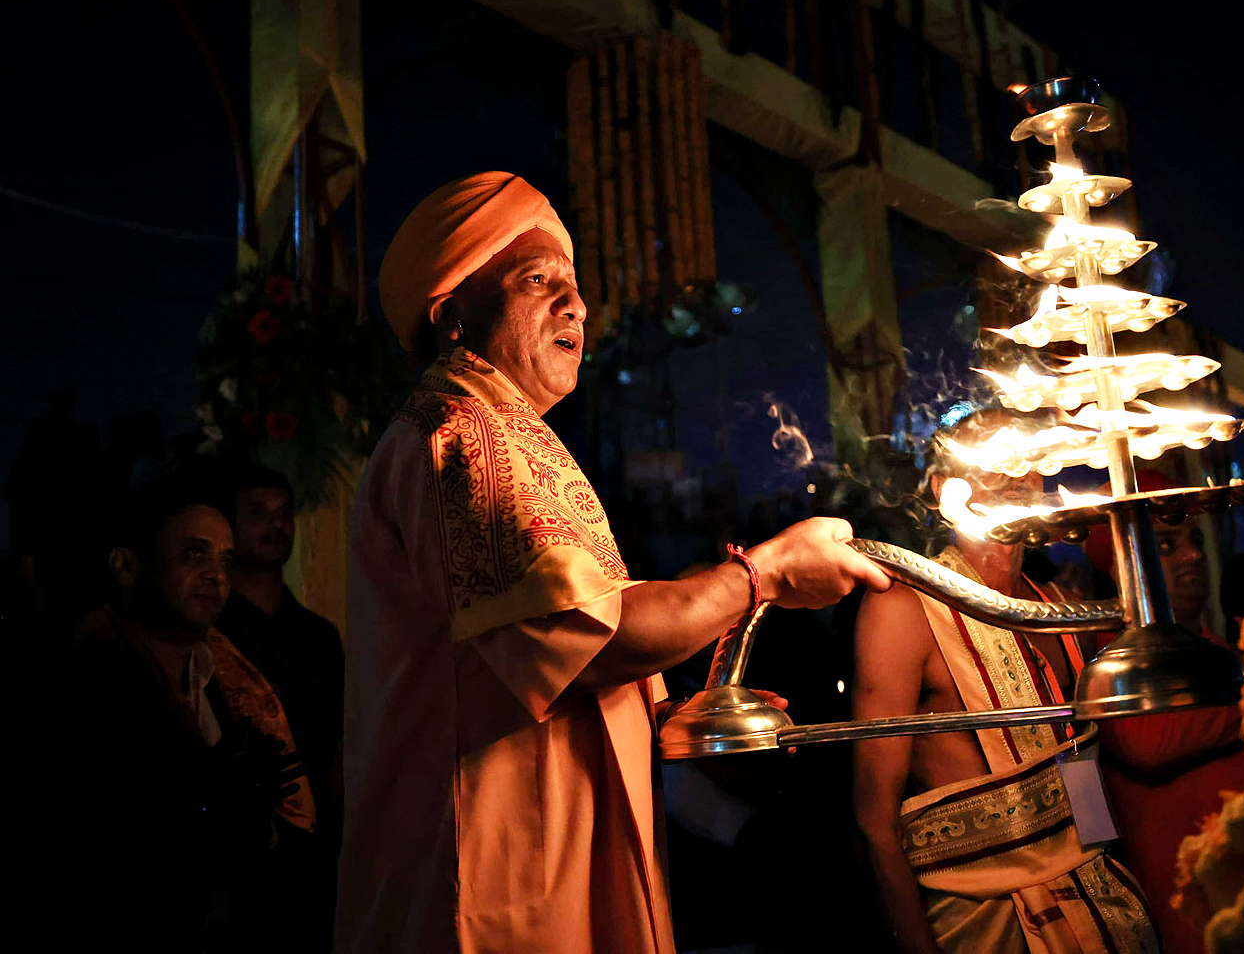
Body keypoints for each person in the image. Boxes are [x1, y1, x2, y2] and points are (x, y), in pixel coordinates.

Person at [335, 172, 891, 954]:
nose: (578, 306)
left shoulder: (506, 432)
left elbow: (575, 650)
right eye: (539, 280)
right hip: (490, 883)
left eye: (575, 284)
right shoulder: (463, 431)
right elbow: (599, 638)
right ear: (452, 315)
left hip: (549, 861)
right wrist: (766, 573)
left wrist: (693, 707)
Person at [851, 410, 1158, 954]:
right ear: (947, 489)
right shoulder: (903, 609)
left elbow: (1086, 778)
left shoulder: (1056, 607)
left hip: (1106, 910)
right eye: (994, 459)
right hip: (983, 925)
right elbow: (874, 817)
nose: (1018, 475)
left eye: (1028, 457)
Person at [62, 476, 321, 952]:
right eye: (193, 555)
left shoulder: (226, 677)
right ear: (126, 565)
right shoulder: (88, 683)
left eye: (225, 560)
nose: (216, 576)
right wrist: (204, 800)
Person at [1083, 471, 1244, 954]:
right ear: (1124, 565)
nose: (1194, 555)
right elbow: (1149, 741)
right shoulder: (1114, 664)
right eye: (1166, 543)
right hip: (1193, 915)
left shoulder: (1211, 648)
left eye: (1194, 538)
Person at [216, 464, 345, 838]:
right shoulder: (213, 632)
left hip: (317, 834)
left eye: (283, 513)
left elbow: (337, 744)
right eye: (257, 513)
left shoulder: (319, 635)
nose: (276, 526)